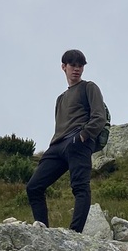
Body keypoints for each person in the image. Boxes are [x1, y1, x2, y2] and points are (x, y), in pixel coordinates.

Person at [26, 49, 107, 233]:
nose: (77, 69)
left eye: (80, 66)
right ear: (64, 67)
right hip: (57, 145)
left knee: (80, 187)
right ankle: (42, 231)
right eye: (73, 65)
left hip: (78, 142)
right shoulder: (60, 98)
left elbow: (99, 117)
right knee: (33, 187)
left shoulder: (89, 87)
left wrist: (83, 136)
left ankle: (74, 233)